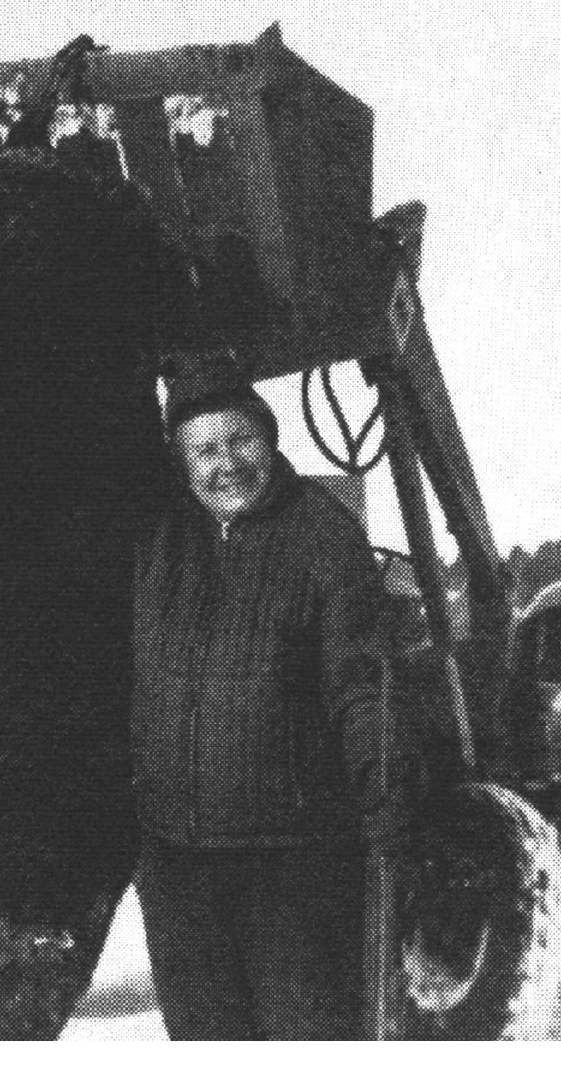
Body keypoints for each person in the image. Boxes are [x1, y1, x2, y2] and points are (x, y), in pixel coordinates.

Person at [131, 362, 405, 1040]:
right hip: (179, 865)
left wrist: (385, 791)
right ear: (181, 462)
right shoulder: (157, 538)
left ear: (270, 439)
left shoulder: (322, 534)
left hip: (293, 864)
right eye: (205, 449)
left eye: (241, 440)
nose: (226, 463)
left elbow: (360, 684)